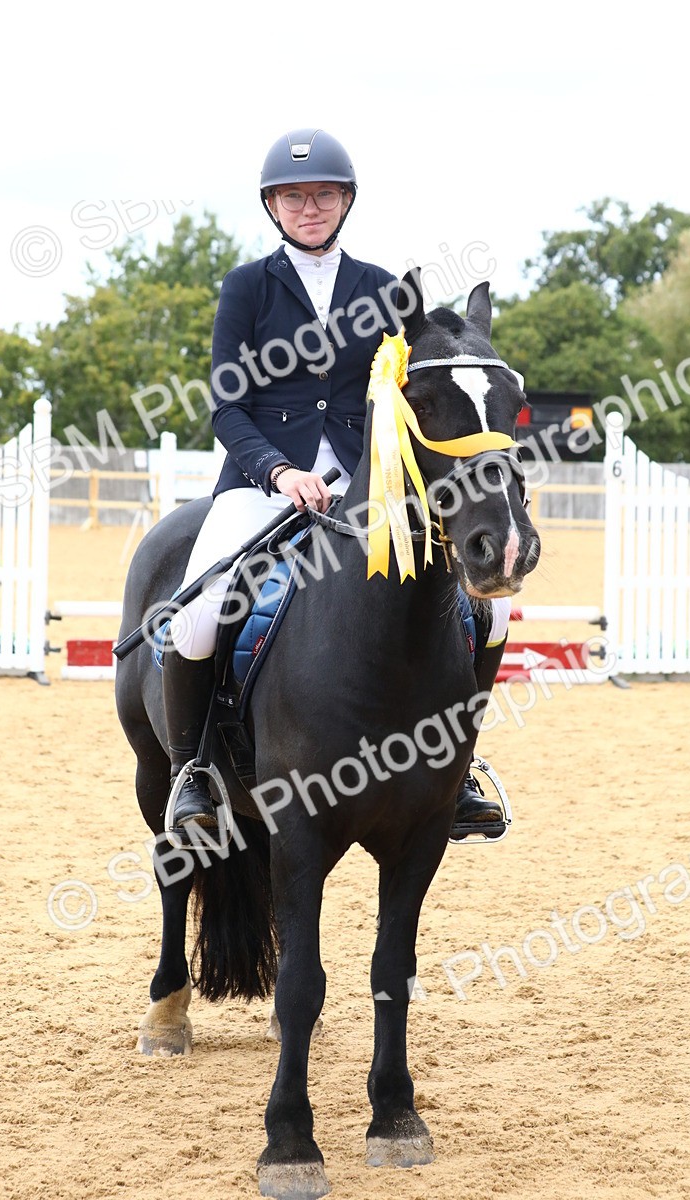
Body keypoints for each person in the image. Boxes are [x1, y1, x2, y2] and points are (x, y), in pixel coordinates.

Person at [162, 127, 510, 840]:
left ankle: (461, 765)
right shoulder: (247, 288)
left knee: (490, 613)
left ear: (345, 200)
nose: (309, 206)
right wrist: (279, 470)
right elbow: (227, 401)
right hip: (261, 484)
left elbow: (409, 390)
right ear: (273, 206)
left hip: (367, 486)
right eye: (294, 196)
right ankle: (191, 772)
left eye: (323, 194)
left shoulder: (383, 290)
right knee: (198, 611)